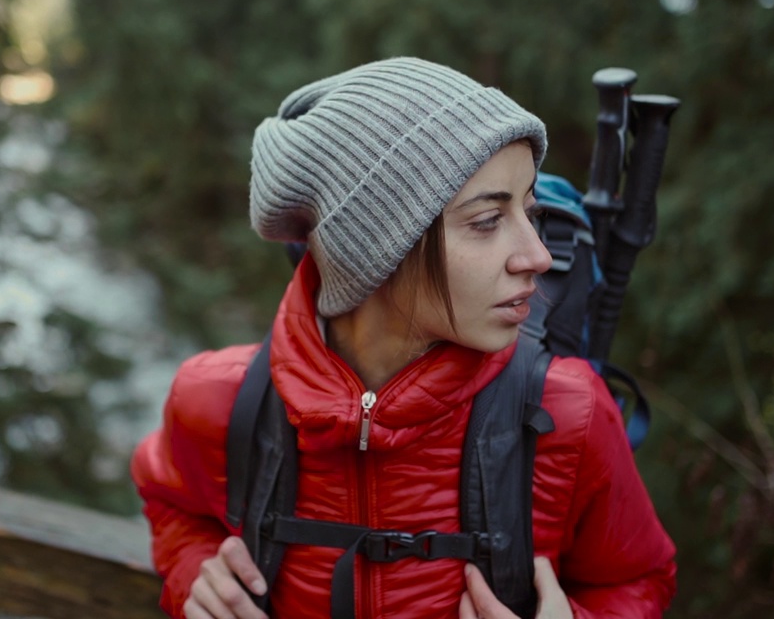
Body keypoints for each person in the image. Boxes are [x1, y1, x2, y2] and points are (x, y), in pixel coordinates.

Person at [131, 57, 676, 618]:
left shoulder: (571, 411)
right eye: (488, 221)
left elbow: (639, 579)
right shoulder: (216, 399)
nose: (538, 256)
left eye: (529, 212)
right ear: (372, 251)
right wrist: (195, 571)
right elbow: (172, 505)